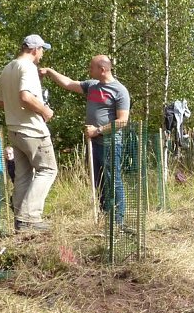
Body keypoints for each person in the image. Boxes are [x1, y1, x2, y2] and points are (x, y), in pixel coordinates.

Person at [40, 55, 131, 225]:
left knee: (112, 180)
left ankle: (118, 221)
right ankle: (105, 218)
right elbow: (68, 83)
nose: (89, 70)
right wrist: (50, 72)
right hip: (94, 144)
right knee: (99, 181)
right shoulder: (92, 86)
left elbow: (122, 121)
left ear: (102, 70)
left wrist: (97, 130)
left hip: (109, 144)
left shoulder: (119, 91)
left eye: (92, 67)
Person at [0, 34, 57, 231]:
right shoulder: (28, 67)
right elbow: (26, 97)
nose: (42, 54)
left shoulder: (7, 68)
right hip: (32, 130)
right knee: (47, 170)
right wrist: (45, 110)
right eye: (42, 50)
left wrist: (14, 111)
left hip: (14, 129)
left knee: (23, 175)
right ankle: (30, 217)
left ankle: (21, 222)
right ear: (34, 49)